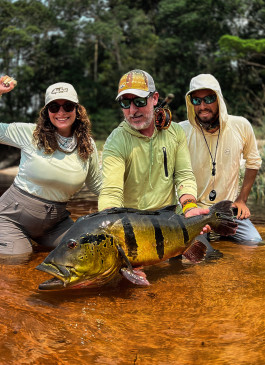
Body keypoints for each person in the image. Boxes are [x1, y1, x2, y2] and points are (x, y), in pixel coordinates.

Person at [0, 75, 101, 258]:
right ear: (47, 112)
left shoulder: (88, 145)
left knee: (85, 252)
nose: (61, 112)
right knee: (18, 259)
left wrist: (132, 202)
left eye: (67, 106)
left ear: (77, 110)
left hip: (55, 224)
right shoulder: (29, 133)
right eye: (54, 107)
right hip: (11, 218)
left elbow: (98, 185)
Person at [98, 69, 210, 228]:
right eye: (125, 103)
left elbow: (183, 175)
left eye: (139, 101)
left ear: (155, 98)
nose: (132, 110)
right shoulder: (116, 141)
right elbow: (111, 192)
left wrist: (190, 207)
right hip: (132, 224)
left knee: (207, 251)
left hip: (170, 217)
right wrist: (109, 224)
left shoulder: (176, 132)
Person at [179, 73, 262, 244]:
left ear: (219, 99)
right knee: (197, 254)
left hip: (228, 209)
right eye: (196, 100)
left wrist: (242, 200)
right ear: (190, 103)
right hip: (193, 211)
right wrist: (186, 207)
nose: (202, 106)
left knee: (254, 243)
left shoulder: (241, 126)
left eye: (209, 99)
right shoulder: (181, 131)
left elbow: (253, 162)